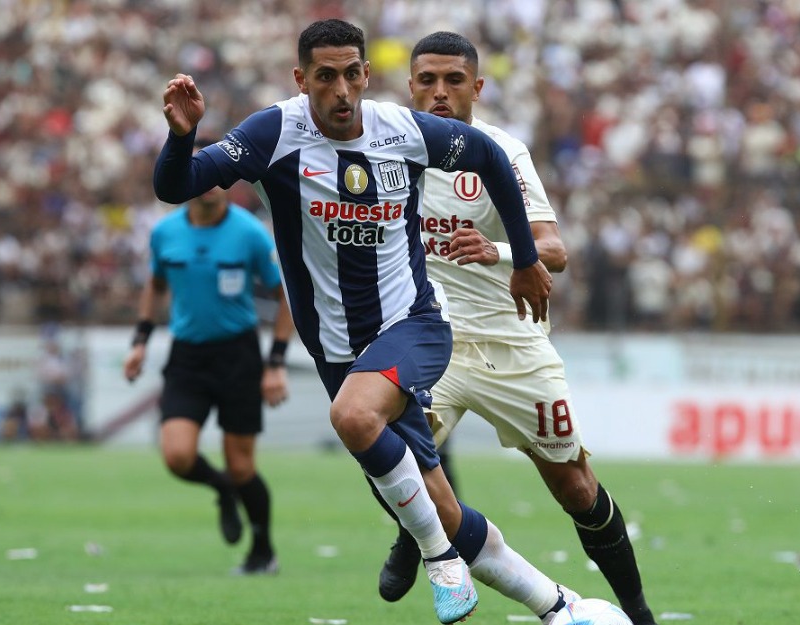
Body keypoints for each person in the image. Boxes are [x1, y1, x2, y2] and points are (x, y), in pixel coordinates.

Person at [154, 19, 580, 625]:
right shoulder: (275, 132)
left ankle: (438, 561)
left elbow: (485, 153)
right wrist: (183, 137)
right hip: (338, 352)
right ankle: (559, 606)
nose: (342, 91)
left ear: (367, 74)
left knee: (353, 419)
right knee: (443, 508)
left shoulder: (400, 130)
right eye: (325, 77)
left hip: (413, 325)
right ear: (302, 81)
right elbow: (179, 184)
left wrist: (525, 259)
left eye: (352, 74)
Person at [371, 31, 658, 625]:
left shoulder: (500, 151)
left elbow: (554, 250)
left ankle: (638, 611)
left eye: (454, 81)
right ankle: (420, 538)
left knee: (576, 487)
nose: (440, 93)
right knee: (388, 449)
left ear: (478, 87)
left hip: (511, 341)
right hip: (430, 338)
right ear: (409, 86)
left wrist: (498, 251)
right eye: (427, 80)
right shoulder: (381, 150)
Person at [126, 136, 295, 576]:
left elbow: (286, 297)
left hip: (237, 355)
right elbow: (156, 284)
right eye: (202, 172)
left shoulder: (249, 233)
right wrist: (141, 339)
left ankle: (263, 552)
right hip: (187, 356)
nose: (210, 183)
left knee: (242, 464)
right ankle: (222, 490)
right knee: (177, 456)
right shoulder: (165, 232)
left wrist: (275, 363)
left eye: (219, 174)